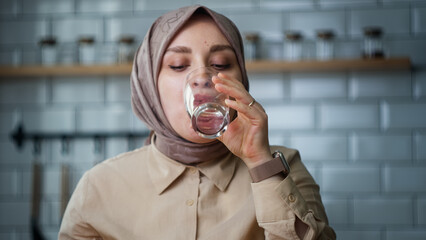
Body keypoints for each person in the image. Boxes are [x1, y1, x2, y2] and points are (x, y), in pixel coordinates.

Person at [59, 5, 336, 240]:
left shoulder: (282, 166)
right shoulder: (98, 187)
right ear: (149, 86)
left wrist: (261, 164)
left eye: (221, 64)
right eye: (179, 65)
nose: (202, 77)